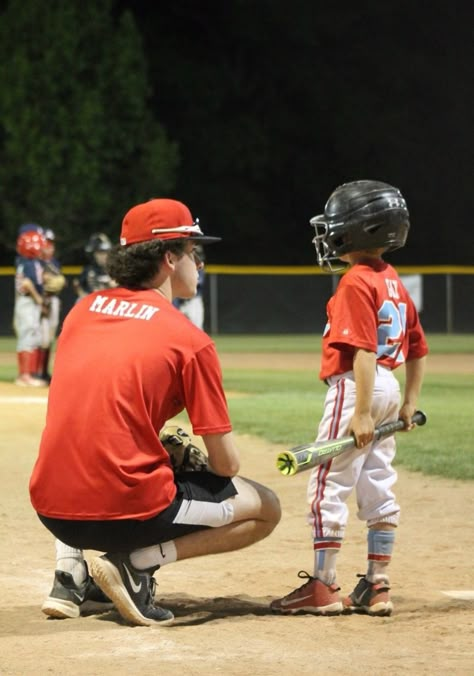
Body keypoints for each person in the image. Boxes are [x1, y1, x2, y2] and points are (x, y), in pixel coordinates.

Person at [30, 197, 281, 626]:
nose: (198, 263)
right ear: (168, 258)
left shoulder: (80, 312)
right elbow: (226, 465)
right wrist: (190, 468)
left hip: (51, 512)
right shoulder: (188, 340)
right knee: (266, 507)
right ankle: (137, 565)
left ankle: (71, 570)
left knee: (91, 453)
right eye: (192, 251)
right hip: (124, 514)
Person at [270, 180, 428, 617]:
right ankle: (377, 585)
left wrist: (359, 412)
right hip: (390, 387)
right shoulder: (393, 281)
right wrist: (408, 403)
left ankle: (323, 585)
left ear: (359, 231)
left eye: (335, 227)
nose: (327, 235)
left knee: (328, 482)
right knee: (377, 482)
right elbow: (417, 349)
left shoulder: (356, 281)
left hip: (357, 385)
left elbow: (362, 350)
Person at [13, 225, 49, 387]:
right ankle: (25, 376)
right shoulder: (29, 263)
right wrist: (40, 300)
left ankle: (26, 374)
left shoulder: (22, 261)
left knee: (29, 336)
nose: (42, 248)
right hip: (28, 302)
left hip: (25, 302)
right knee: (28, 337)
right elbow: (27, 283)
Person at [37, 228, 67, 383]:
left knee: (49, 337)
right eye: (47, 243)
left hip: (53, 301)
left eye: (51, 244)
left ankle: (43, 372)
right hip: (40, 301)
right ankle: (35, 372)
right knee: (40, 337)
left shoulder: (54, 262)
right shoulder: (37, 262)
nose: (50, 247)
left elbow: (60, 282)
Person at [173, 244, 206, 329]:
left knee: (197, 329)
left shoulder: (199, 268)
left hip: (193, 301)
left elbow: (198, 283)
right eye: (192, 252)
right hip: (180, 301)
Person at [73, 232, 115, 299]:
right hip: (92, 304)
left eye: (105, 252)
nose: (103, 256)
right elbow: (76, 284)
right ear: (94, 254)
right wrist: (84, 297)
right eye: (100, 253)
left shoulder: (115, 270)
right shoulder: (88, 270)